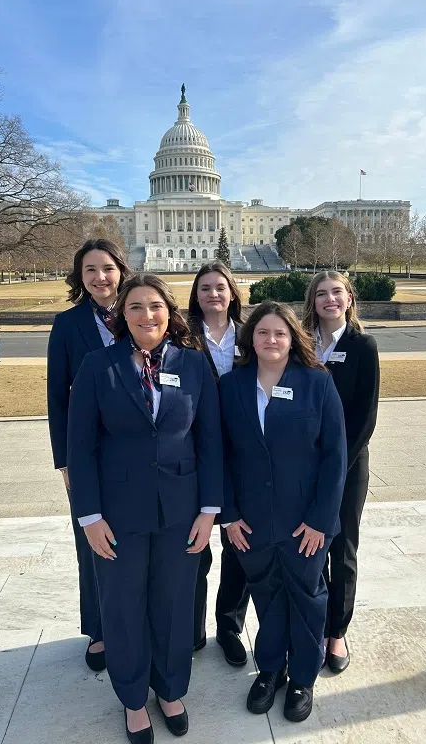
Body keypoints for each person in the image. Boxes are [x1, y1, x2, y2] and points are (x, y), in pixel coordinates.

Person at [67, 273, 223, 743]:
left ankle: (170, 689)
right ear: (122, 315)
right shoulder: (98, 366)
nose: (146, 315)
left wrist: (208, 510)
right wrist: (90, 517)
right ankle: (134, 699)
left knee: (174, 604)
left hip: (182, 511)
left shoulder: (193, 365)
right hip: (117, 515)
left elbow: (210, 441)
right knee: (123, 605)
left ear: (169, 312)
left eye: (155, 305)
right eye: (135, 306)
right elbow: (81, 448)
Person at [219, 301, 347, 723]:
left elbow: (334, 456)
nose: (270, 340)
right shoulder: (232, 385)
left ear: (293, 339)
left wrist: (321, 520)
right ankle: (271, 669)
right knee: (267, 595)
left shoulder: (317, 382)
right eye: (262, 333)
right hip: (251, 521)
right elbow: (220, 454)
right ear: (249, 339)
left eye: (279, 333)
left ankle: (302, 678)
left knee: (307, 598)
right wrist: (231, 514)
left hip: (305, 521)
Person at [47, 238, 132, 672]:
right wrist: (63, 459)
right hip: (87, 450)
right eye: (90, 270)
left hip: (136, 449)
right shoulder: (67, 324)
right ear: (80, 278)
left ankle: (133, 624)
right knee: (92, 541)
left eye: (107, 268)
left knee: (133, 540)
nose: (100, 277)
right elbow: (57, 395)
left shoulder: (142, 313)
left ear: (121, 269)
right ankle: (99, 629)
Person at [303, 271, 380, 674]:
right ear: (312, 301)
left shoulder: (362, 346)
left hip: (347, 467)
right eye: (321, 294)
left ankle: (337, 631)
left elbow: (365, 418)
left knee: (342, 549)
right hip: (304, 466)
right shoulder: (301, 343)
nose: (329, 300)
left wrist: (335, 469)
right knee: (310, 550)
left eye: (337, 293)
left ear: (349, 299)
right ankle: (313, 624)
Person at [186, 261, 250, 667]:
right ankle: (191, 630)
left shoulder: (250, 333)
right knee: (193, 547)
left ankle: (229, 626)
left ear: (232, 293)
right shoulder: (182, 338)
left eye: (220, 287)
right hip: (193, 451)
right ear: (196, 295)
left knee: (239, 545)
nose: (213, 294)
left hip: (243, 453)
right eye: (205, 288)